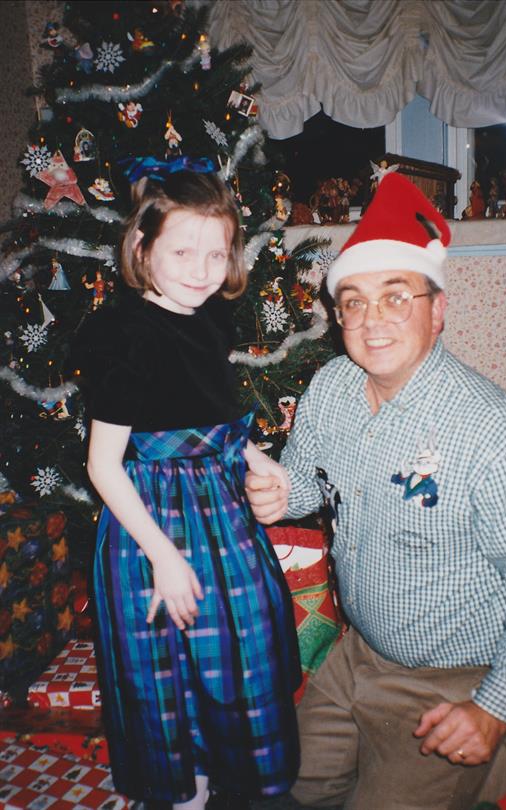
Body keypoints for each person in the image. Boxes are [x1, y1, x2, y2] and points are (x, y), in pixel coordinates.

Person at [245, 172, 506, 810]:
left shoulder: (497, 436)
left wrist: (493, 709)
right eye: (352, 300)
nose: (371, 319)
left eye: (395, 296)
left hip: (454, 679)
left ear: (438, 310)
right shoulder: (330, 387)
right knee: (277, 787)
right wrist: (282, 494)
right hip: (358, 656)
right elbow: (312, 486)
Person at [72, 166, 301, 810]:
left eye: (216, 252)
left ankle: (229, 779)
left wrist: (258, 458)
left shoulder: (209, 323)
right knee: (166, 675)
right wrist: (164, 557)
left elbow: (208, 420)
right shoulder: (127, 336)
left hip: (222, 516)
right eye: (182, 251)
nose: (202, 269)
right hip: (152, 527)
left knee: (239, 646)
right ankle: (182, 795)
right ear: (143, 249)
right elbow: (104, 466)